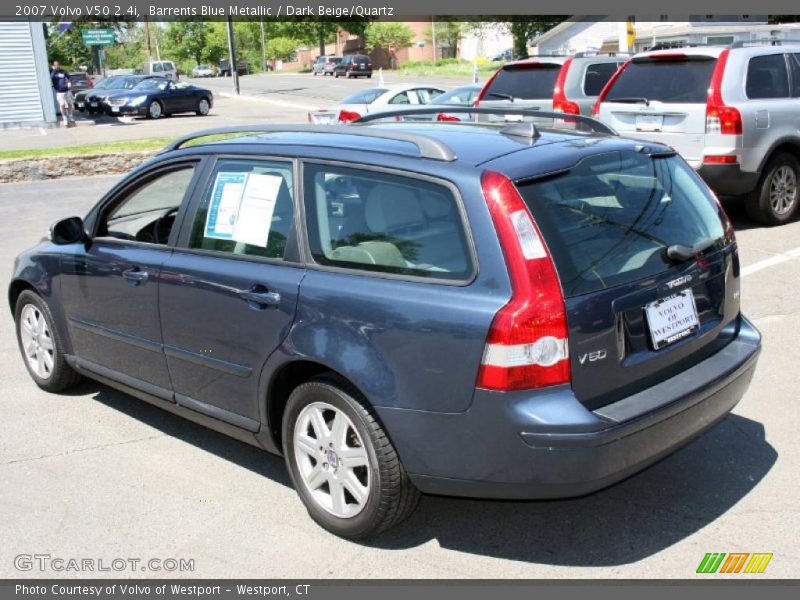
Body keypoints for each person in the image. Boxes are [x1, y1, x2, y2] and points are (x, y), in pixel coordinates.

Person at [50, 60, 74, 126]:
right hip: (59, 92)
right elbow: (51, 78)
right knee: (62, 105)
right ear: (53, 66)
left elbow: (69, 77)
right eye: (55, 65)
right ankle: (64, 117)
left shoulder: (63, 71)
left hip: (67, 90)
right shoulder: (52, 72)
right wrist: (54, 70)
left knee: (70, 103)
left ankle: (70, 116)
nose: (57, 66)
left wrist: (69, 82)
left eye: (58, 64)